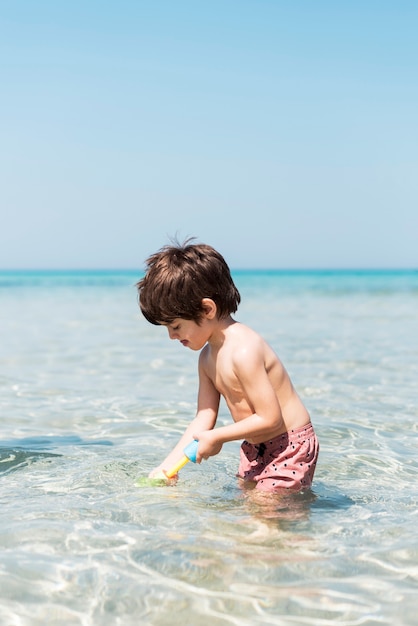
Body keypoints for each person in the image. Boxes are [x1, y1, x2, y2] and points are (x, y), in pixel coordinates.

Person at [137, 239, 319, 492]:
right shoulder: (206, 359)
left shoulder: (244, 350)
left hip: (290, 445)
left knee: (267, 514)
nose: (171, 336)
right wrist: (167, 468)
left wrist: (218, 437)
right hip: (256, 447)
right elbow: (204, 418)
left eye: (176, 326)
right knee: (248, 511)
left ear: (207, 309)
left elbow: (271, 419)